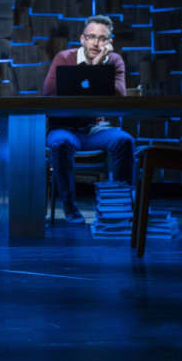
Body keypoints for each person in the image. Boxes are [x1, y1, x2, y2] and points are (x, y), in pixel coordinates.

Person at [42, 15, 134, 224]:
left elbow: (120, 96)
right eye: (91, 37)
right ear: (82, 39)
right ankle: (70, 210)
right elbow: (48, 94)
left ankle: (118, 209)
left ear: (109, 42)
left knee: (125, 141)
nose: (96, 42)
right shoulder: (64, 58)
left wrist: (100, 65)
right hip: (64, 128)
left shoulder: (114, 61)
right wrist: (90, 68)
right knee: (60, 143)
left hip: (95, 129)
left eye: (102, 38)